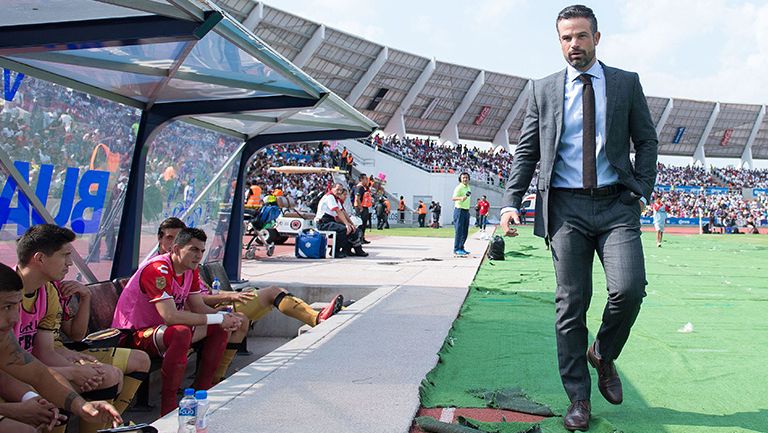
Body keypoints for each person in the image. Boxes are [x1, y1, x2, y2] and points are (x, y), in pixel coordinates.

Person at [498, 5, 658, 431]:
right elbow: (527, 151)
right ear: (559, 41)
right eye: (566, 38)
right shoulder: (543, 90)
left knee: (629, 289)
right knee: (571, 304)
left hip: (616, 205)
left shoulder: (626, 83)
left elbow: (646, 139)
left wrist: (641, 189)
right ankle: (579, 400)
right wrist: (511, 200)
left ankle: (602, 353)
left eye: (581, 36)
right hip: (565, 209)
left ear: (597, 38)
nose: (574, 45)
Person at [153, 218, 344, 382]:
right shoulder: (159, 268)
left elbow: (200, 294)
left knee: (271, 294)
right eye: (169, 238)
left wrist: (228, 297)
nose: (172, 243)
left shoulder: (187, 266)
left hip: (213, 306)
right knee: (269, 295)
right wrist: (230, 296)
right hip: (192, 316)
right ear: (160, 239)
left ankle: (316, 317)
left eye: (177, 237)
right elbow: (189, 302)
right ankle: (316, 318)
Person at [112, 227, 242, 416]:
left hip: (162, 332)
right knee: (181, 331)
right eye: (193, 250)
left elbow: (198, 307)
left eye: (202, 251)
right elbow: (170, 316)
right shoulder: (158, 269)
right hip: (132, 334)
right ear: (175, 249)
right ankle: (169, 408)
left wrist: (224, 318)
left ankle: (202, 392)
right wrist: (217, 317)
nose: (198, 256)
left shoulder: (191, 270)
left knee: (217, 326)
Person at [13, 224, 127, 433]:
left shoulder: (48, 292)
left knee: (102, 375)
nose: (70, 264)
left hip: (25, 369)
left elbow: (45, 351)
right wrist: (71, 371)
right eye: (65, 255)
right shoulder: (6, 292)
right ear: (39, 258)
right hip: (13, 376)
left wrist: (77, 371)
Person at [315, 184, 368, 257]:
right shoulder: (330, 197)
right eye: (337, 189)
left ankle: (349, 250)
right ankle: (335, 251)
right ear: (332, 189)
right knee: (343, 229)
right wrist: (346, 224)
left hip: (330, 221)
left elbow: (343, 211)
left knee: (354, 230)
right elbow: (338, 211)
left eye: (341, 190)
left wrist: (351, 224)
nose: (339, 192)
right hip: (323, 222)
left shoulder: (335, 198)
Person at [451, 172, 472, 256]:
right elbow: (453, 198)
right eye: (463, 178)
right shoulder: (459, 188)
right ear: (460, 179)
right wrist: (460, 198)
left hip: (466, 211)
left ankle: (461, 247)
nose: (465, 179)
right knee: (459, 231)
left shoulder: (468, 187)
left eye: (466, 177)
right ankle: (456, 249)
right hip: (459, 211)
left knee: (465, 231)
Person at [353, 174, 373, 244]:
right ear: (361, 179)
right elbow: (357, 198)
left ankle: (362, 238)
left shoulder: (364, 187)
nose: (366, 180)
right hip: (361, 208)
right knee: (361, 224)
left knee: (364, 224)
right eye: (365, 179)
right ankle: (359, 239)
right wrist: (360, 208)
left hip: (364, 207)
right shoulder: (359, 187)